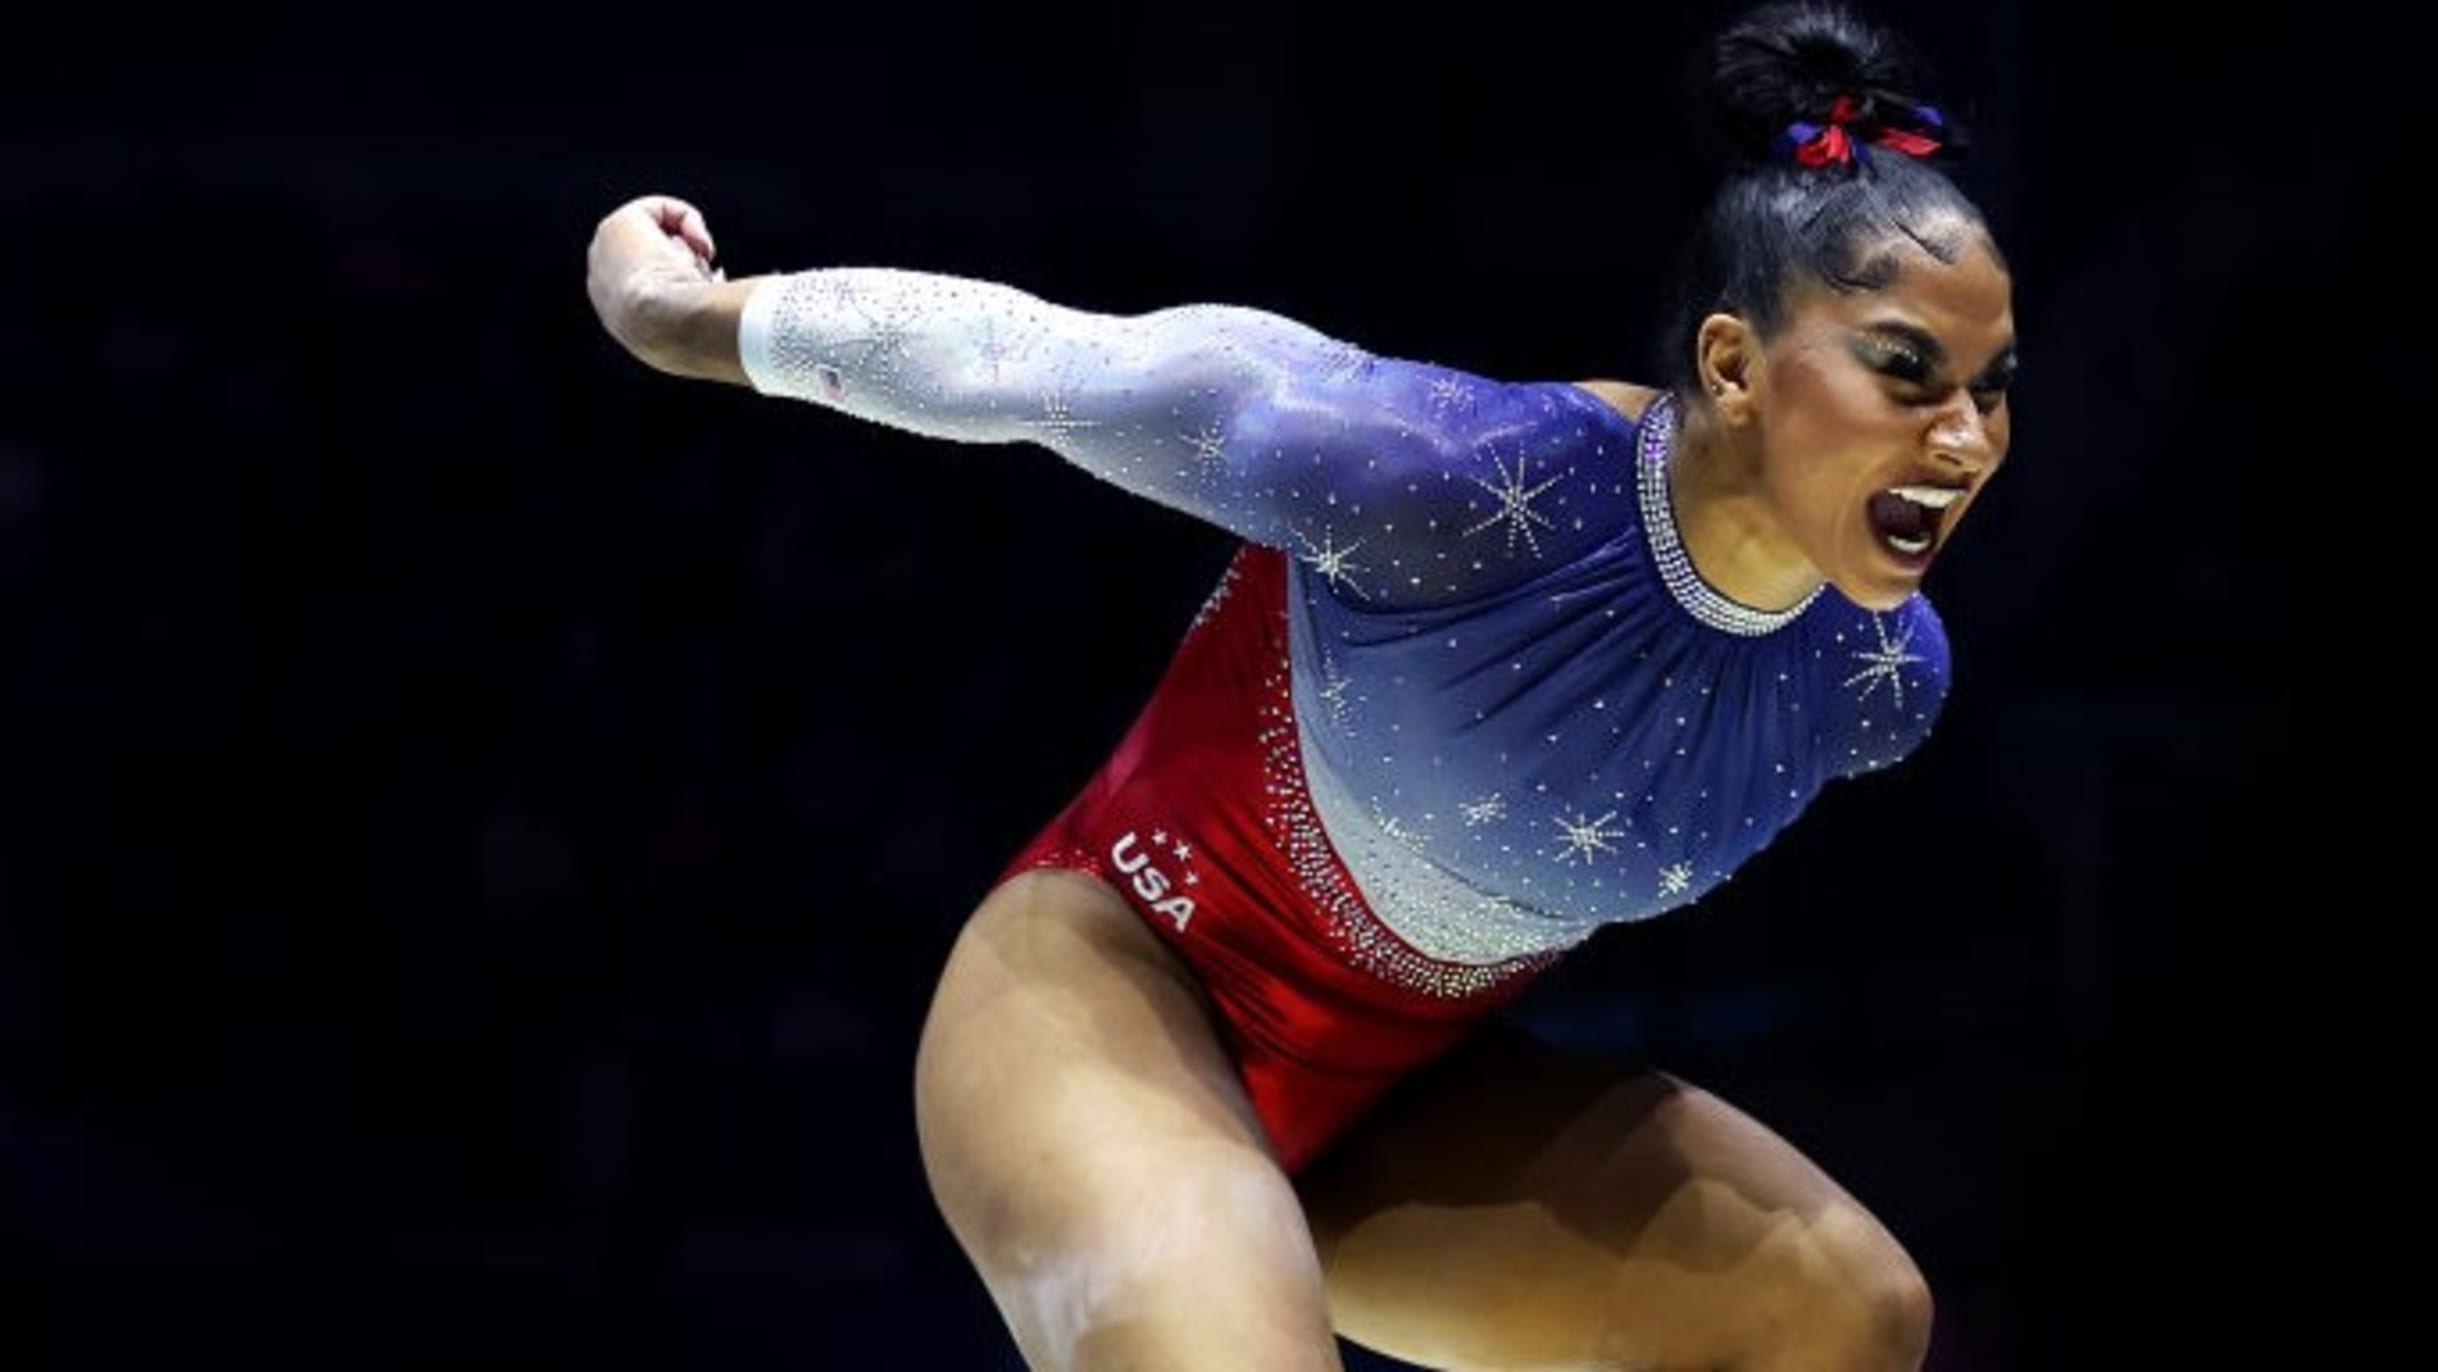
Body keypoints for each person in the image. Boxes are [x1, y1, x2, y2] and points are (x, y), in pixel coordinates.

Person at [583, 1, 2015, 1365]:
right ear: (1733, 364)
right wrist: (673, 316)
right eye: (1906, 371)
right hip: (1112, 990)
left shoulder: (1874, 684)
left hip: (1402, 1104)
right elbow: (1040, 367)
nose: (1963, 437)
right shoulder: (1447, 480)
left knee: (1838, 1312)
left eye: (1990, 384)